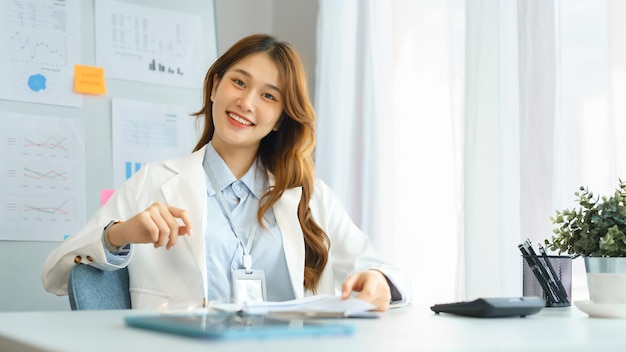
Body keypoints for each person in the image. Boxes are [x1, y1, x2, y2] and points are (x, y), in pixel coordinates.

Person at [41, 34, 412, 311]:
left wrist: (378, 281)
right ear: (216, 85)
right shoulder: (155, 182)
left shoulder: (307, 195)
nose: (246, 102)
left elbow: (385, 272)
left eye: (269, 96)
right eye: (239, 82)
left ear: (282, 117)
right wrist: (121, 234)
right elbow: (55, 274)